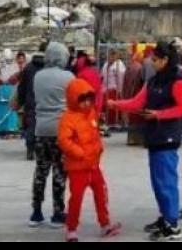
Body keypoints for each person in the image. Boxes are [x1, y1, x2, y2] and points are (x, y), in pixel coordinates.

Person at [108, 42, 182, 241]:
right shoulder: (154, 81)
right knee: (158, 182)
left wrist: (159, 114)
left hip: (168, 135)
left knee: (166, 181)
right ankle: (165, 216)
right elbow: (137, 102)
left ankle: (173, 225)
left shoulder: (177, 81)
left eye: (155, 60)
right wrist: (116, 104)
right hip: (154, 135)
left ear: (165, 60)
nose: (152, 63)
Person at [57, 77, 122, 241]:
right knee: (76, 198)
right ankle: (71, 229)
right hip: (77, 167)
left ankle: (105, 224)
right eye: (82, 100)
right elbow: (64, 140)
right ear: (73, 100)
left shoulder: (92, 113)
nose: (86, 104)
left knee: (101, 193)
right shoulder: (68, 117)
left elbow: (94, 135)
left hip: (93, 165)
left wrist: (99, 148)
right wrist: (79, 153)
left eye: (89, 100)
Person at [31, 42, 74, 228]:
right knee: (59, 171)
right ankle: (58, 212)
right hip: (61, 129)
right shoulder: (69, 77)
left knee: (41, 170)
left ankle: (36, 211)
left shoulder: (38, 76)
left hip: (41, 128)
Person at [17, 40, 47, 160]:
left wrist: (21, 101)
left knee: (32, 125)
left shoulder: (28, 68)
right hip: (47, 100)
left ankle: (30, 149)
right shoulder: (50, 67)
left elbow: (22, 86)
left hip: (31, 101)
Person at [102, 49, 126, 131]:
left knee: (114, 107)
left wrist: (120, 90)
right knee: (107, 107)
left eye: (113, 55)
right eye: (110, 55)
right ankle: (108, 123)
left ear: (116, 56)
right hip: (106, 89)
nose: (111, 57)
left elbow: (121, 78)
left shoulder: (119, 65)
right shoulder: (105, 65)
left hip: (115, 89)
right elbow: (103, 76)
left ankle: (116, 123)